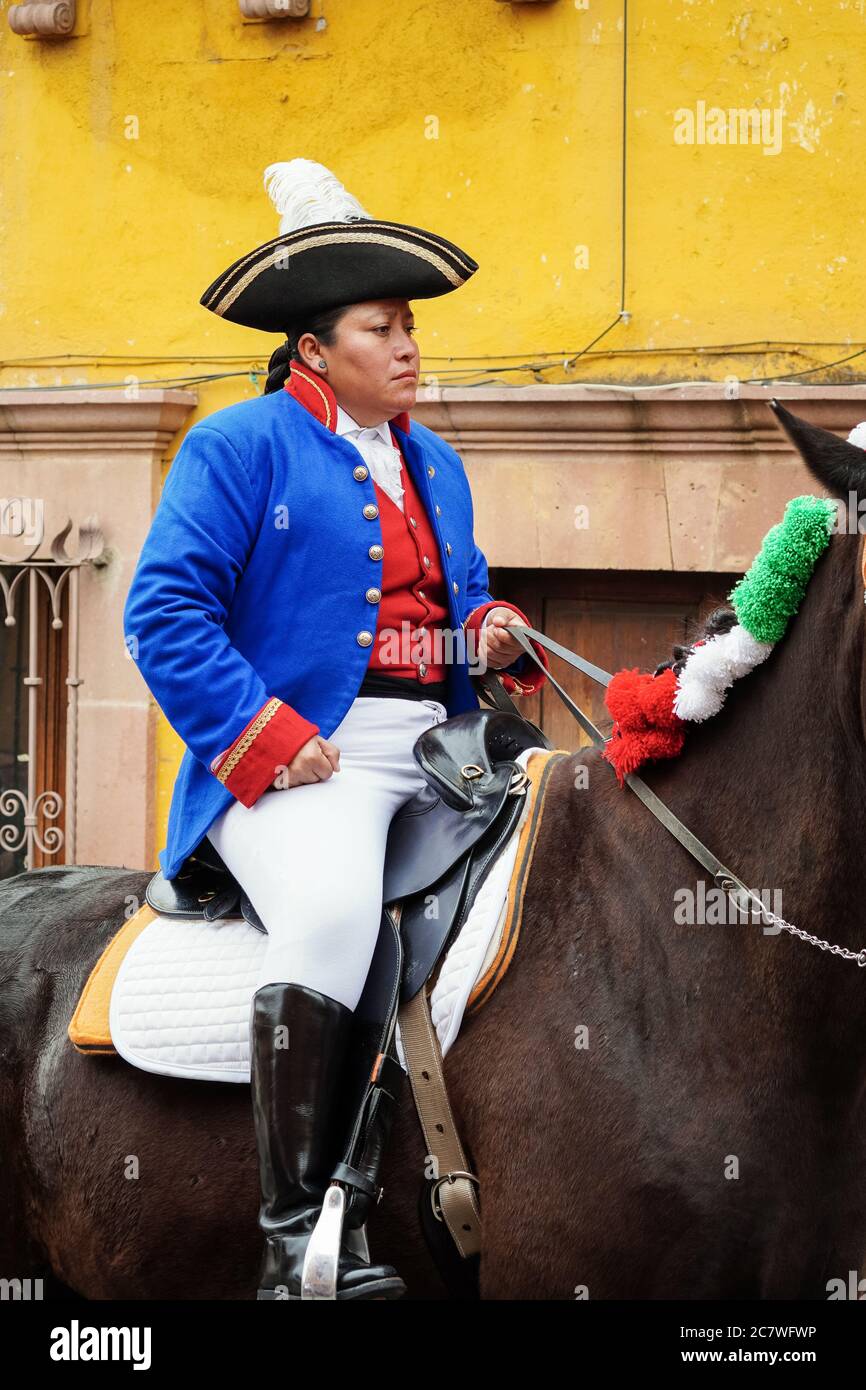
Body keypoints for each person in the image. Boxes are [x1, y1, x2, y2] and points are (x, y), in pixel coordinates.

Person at [123, 158, 549, 1300]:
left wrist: (490, 624)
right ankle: (292, 1239)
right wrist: (262, 731)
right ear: (315, 347)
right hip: (300, 760)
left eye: (411, 326)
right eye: (383, 326)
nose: (411, 346)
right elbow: (160, 611)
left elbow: (459, 597)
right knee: (329, 912)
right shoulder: (236, 445)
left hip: (443, 750)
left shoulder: (437, 461)